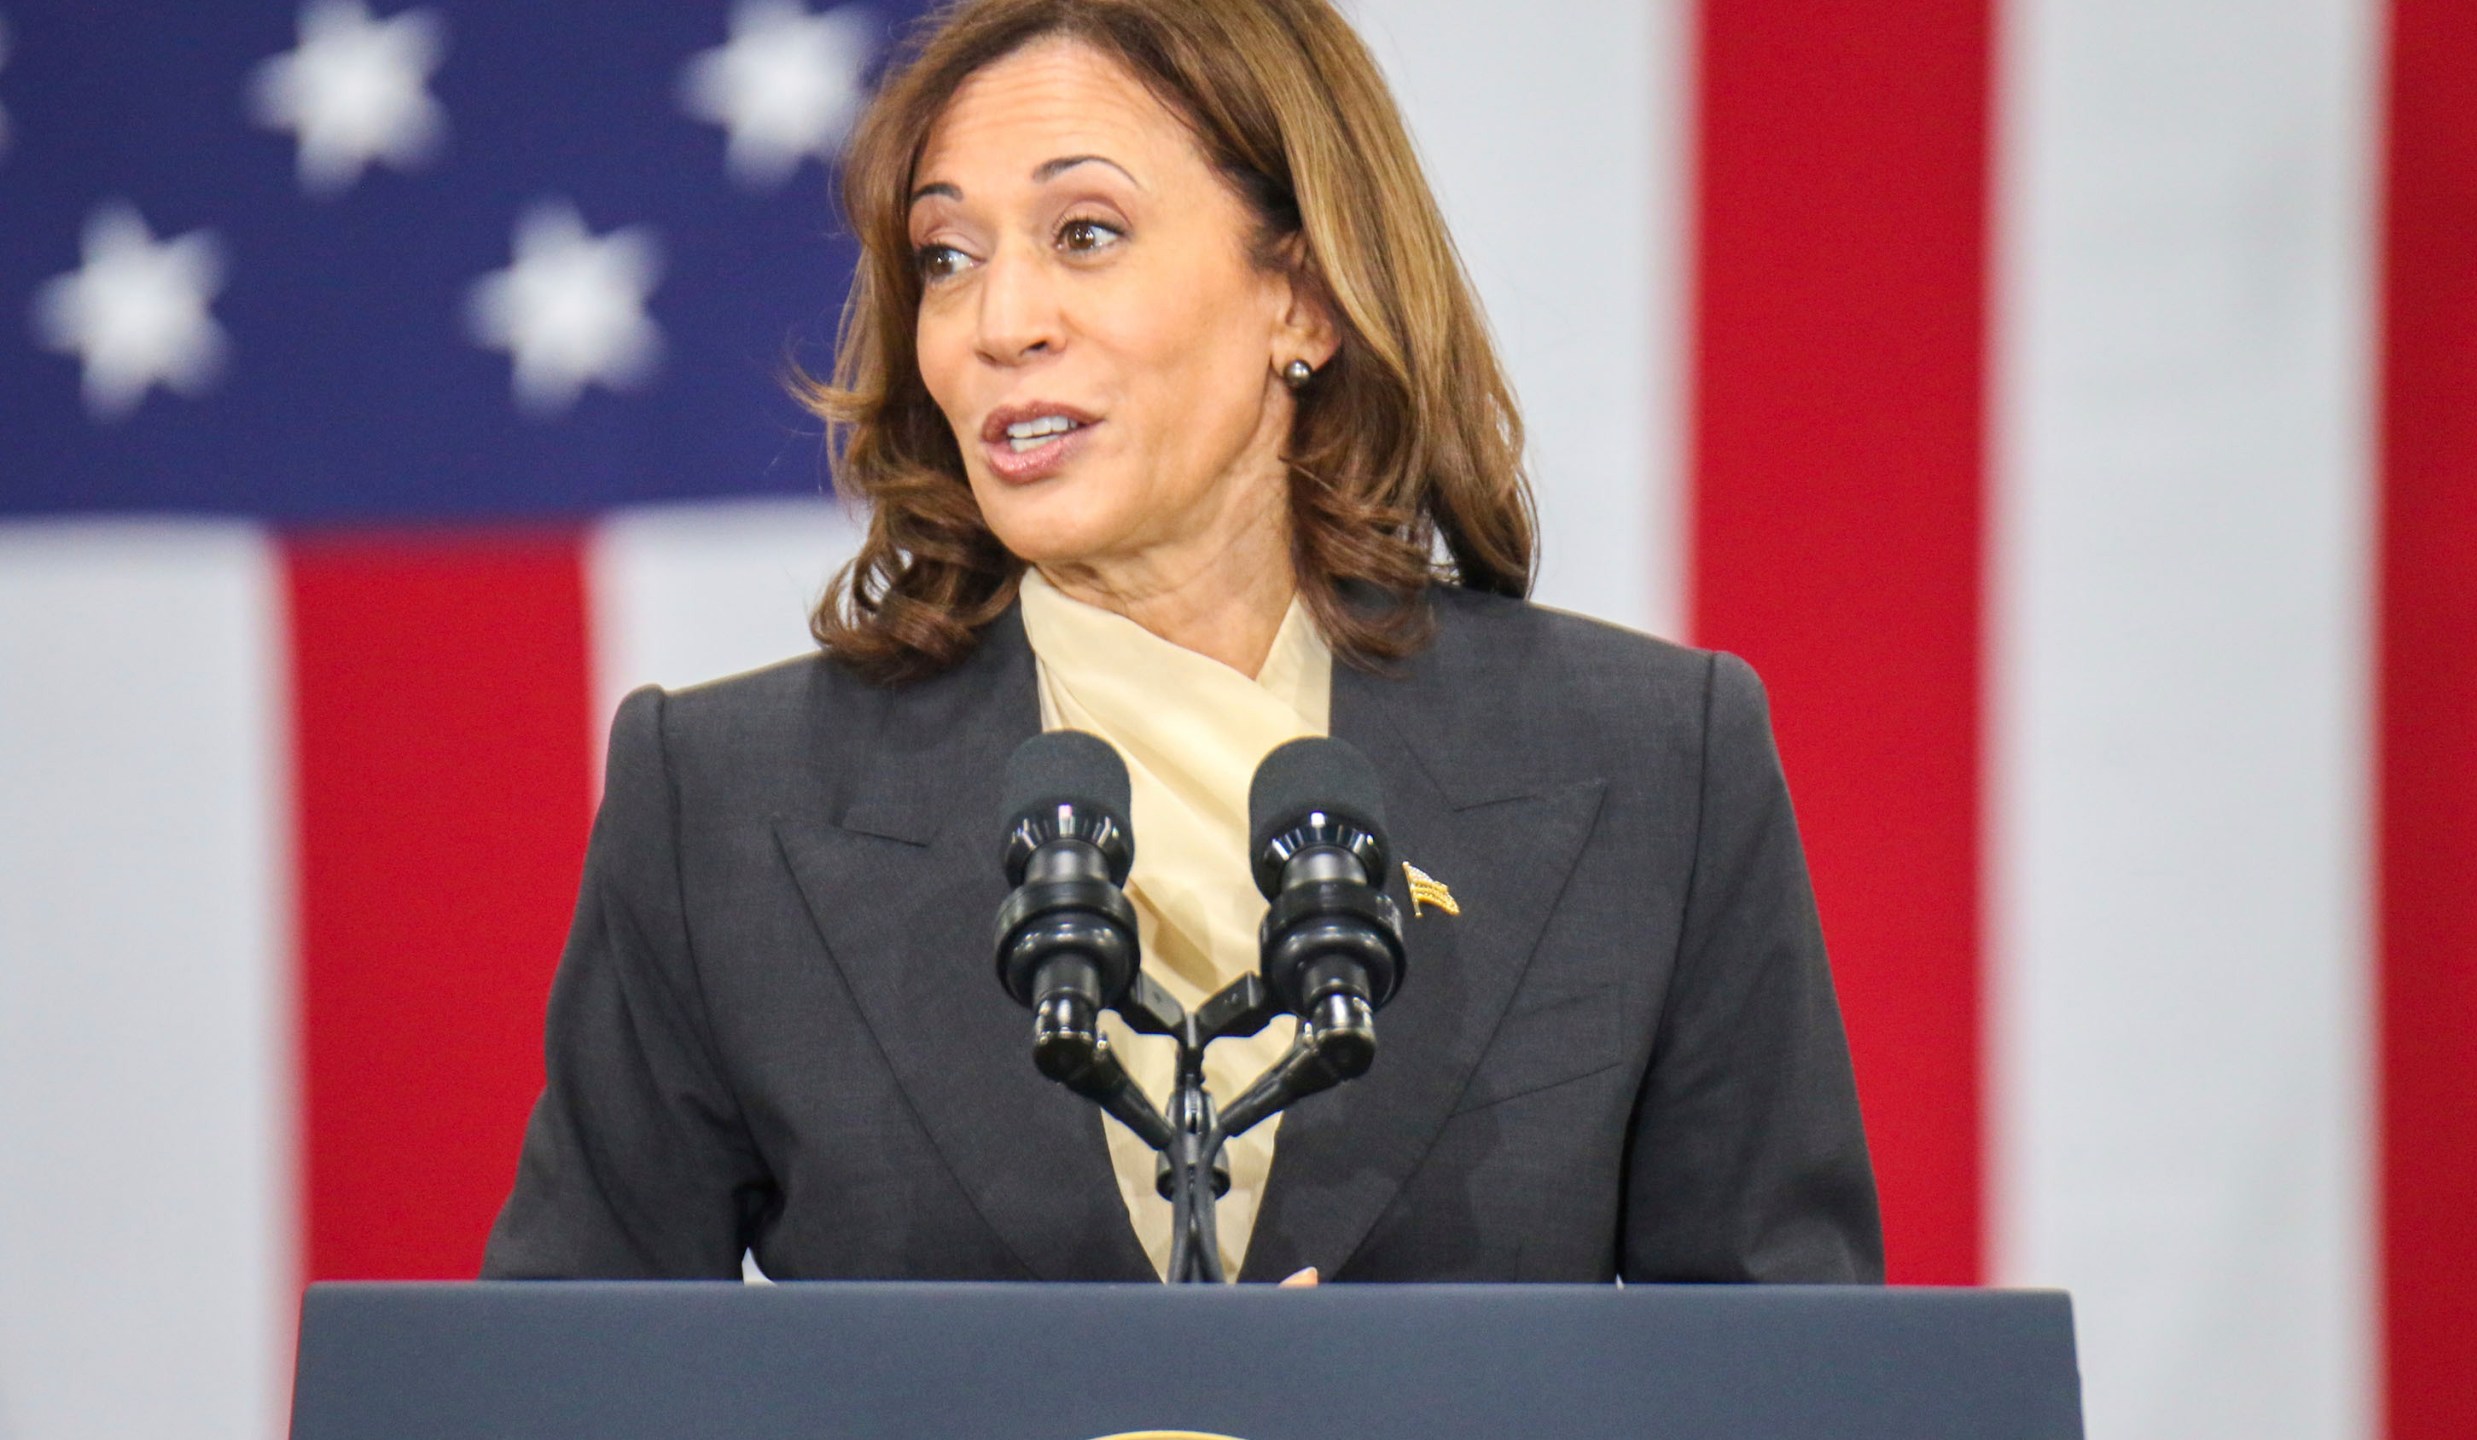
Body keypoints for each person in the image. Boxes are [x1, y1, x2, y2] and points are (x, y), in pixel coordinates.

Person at [483, 0, 1882, 1285]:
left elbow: (1788, 1392)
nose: (1000, 323)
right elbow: (560, 1395)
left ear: (1306, 294)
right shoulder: (725, 803)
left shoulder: (1652, 767)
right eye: (947, 257)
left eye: (1084, 233)